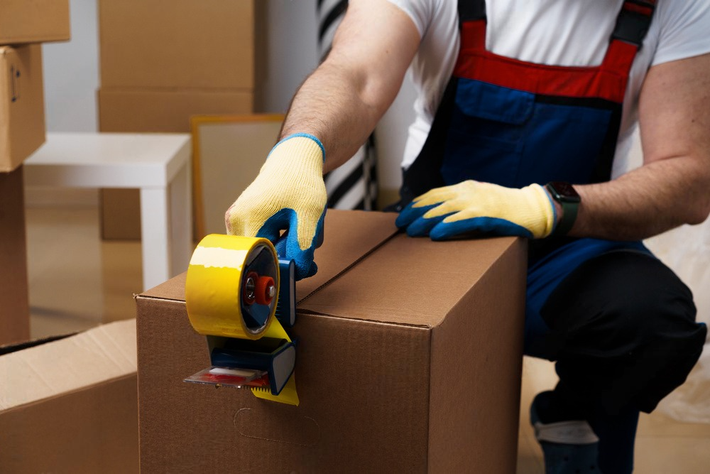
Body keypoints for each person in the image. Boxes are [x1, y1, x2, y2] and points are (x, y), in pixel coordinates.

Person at [225, 0, 710, 472]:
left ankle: (575, 419)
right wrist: (300, 148)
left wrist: (545, 206)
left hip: (571, 245)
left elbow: (689, 176)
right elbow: (355, 74)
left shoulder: (676, 6)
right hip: (436, 233)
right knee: (344, 329)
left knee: (650, 322)